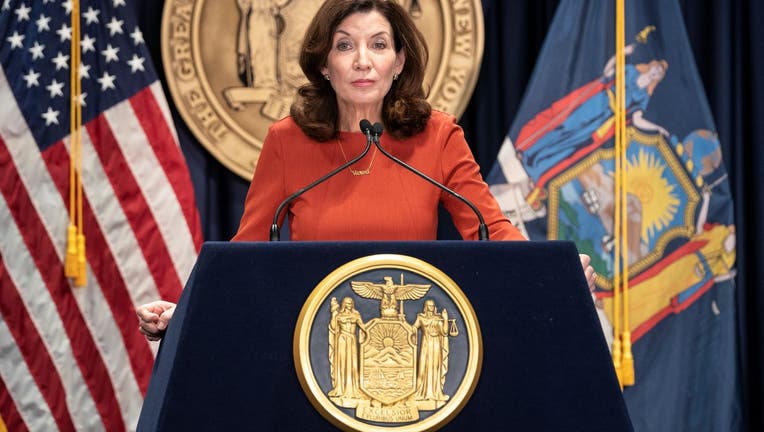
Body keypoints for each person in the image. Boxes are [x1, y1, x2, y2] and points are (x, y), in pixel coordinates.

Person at [137, 0, 595, 341]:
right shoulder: (288, 140)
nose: (362, 59)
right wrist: (187, 311)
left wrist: (558, 273)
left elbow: (490, 231)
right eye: (344, 46)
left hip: (417, 340)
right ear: (325, 64)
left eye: (378, 45)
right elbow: (245, 251)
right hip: (318, 340)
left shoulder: (437, 135)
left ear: (397, 63)